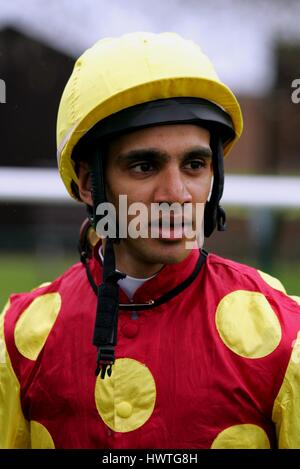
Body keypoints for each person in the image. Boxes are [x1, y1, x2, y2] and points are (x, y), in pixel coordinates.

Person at [1, 31, 300, 450]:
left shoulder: (285, 333)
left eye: (195, 164)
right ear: (90, 184)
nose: (176, 193)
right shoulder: (19, 337)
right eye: (145, 165)